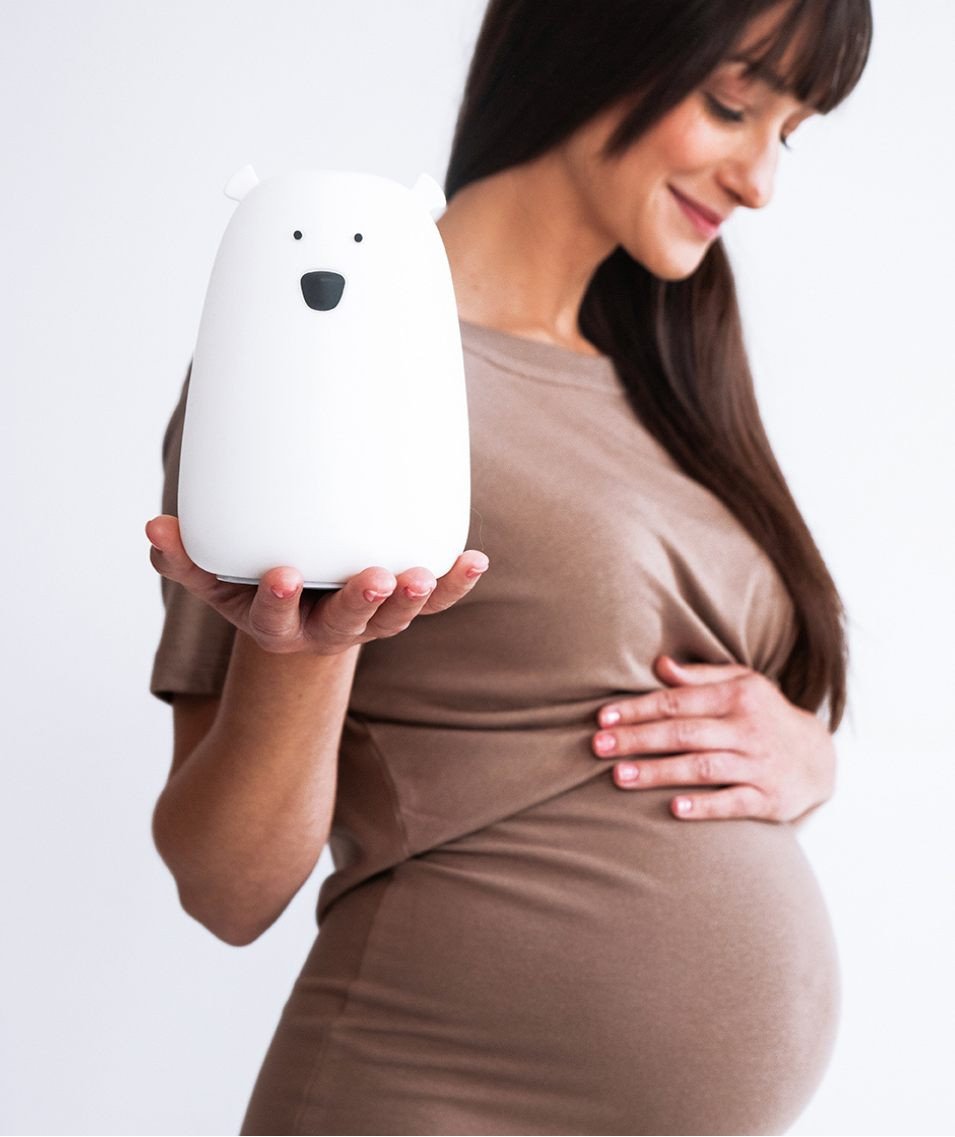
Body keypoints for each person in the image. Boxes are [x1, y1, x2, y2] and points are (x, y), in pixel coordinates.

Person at [146, 0, 873, 1132]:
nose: (758, 182)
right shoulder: (322, 353)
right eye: (734, 104)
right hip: (422, 1092)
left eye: (789, 131)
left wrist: (805, 755)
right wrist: (304, 655)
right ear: (600, 36)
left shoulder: (670, 379)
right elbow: (227, 890)